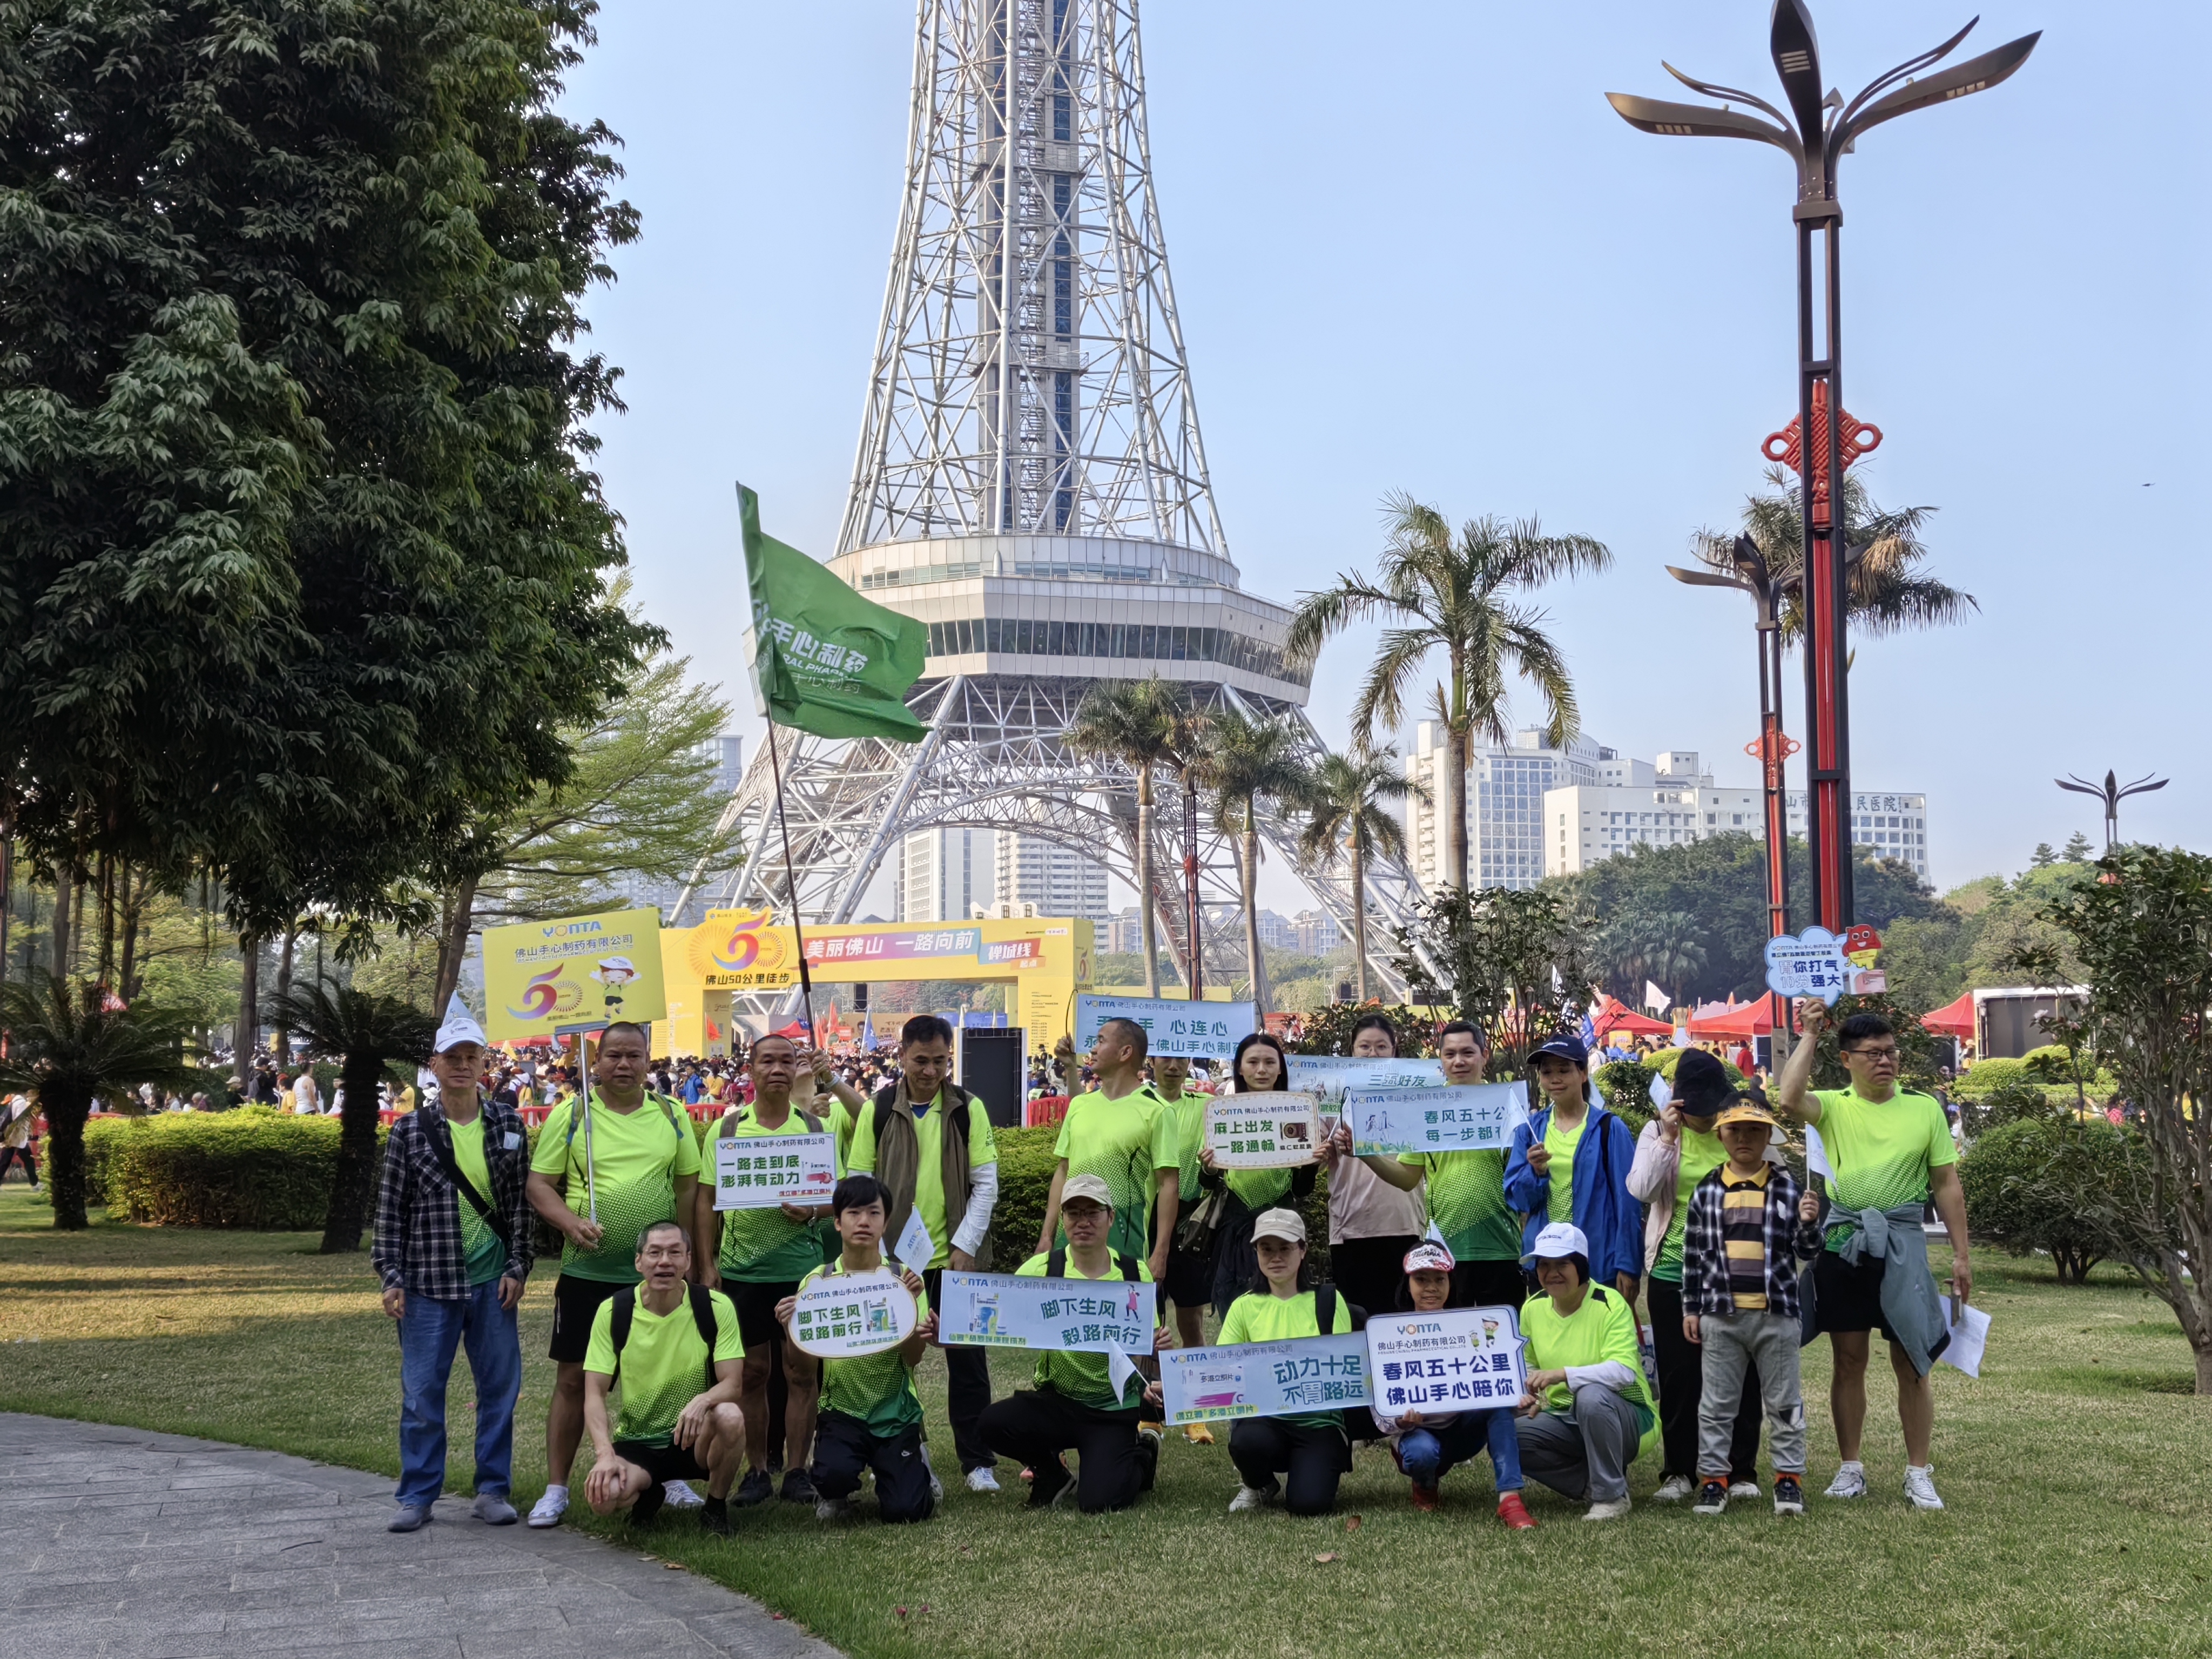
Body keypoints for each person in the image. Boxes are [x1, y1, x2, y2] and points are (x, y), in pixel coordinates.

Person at [1777, 1001, 1971, 1511]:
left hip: (1904, 1243)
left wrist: (1961, 1255)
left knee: (1913, 1360)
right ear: (1847, 1060)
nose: (1885, 1061)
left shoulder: (1924, 1109)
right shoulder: (1834, 1106)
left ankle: (1918, 1472)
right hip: (1845, 1242)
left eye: (1891, 1052)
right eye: (1872, 1054)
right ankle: (1851, 1467)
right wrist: (1810, 1034)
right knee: (1848, 1359)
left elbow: (1946, 1183)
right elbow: (1789, 1098)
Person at [524, 1021, 703, 1528]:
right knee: (573, 1379)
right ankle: (556, 1488)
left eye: (634, 1056)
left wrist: (685, 1254)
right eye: (613, 1056)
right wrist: (569, 1222)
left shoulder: (671, 1114)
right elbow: (539, 1185)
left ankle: (671, 1476)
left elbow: (687, 1188)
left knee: (668, 1378)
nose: (624, 1065)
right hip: (588, 1271)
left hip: (657, 1276)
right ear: (596, 1062)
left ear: (649, 1061)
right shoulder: (573, 1113)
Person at [370, 1011, 534, 1532]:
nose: (462, 1066)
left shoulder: (508, 1124)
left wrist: (518, 1266)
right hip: (428, 1284)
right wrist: (390, 1276)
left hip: (493, 1284)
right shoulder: (410, 1131)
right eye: (452, 1058)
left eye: (472, 1057)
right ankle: (418, 1496)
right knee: (422, 1394)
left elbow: (520, 1207)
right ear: (434, 1065)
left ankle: (492, 1489)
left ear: (484, 1065)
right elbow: (390, 1211)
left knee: (498, 1391)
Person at [845, 1014, 1002, 1493]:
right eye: (921, 1061)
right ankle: (904, 1453)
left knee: (968, 1364)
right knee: (891, 1360)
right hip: (894, 1262)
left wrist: (965, 1245)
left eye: (940, 1061)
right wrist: (874, 1252)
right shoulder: (878, 1109)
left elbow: (986, 1184)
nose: (931, 1071)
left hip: (955, 1261)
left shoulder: (968, 1108)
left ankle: (977, 1462)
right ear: (902, 1056)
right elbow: (859, 1184)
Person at [1626, 1047, 1775, 1505]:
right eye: (1695, 1109)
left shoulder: (1743, 1125)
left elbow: (1774, 1184)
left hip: (1739, 1269)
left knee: (1742, 1372)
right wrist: (1669, 1137)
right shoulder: (1658, 1131)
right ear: (1677, 1100)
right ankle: (1679, 1471)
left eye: (1711, 1108)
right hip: (1673, 1269)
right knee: (1680, 1375)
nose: (1705, 1118)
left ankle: (1741, 1469)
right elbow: (1641, 1189)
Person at [695, 1032, 834, 1507]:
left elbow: (836, 1198)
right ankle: (756, 1471)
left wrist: (812, 1210)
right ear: (751, 1069)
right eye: (767, 1061)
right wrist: (707, 1263)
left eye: (786, 1062)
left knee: (802, 1373)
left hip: (801, 1272)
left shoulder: (814, 1129)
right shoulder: (728, 1130)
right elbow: (707, 1199)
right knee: (752, 1374)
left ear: (798, 1069)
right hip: (743, 1273)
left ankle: (797, 1471)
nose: (777, 1069)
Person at [978, 1174, 1172, 1513]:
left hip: (1111, 1409)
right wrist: (951, 1334)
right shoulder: (1042, 1270)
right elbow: (997, 1320)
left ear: (1111, 1218)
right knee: (992, 1424)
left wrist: (1156, 1352)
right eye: (1073, 1213)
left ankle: (1143, 1452)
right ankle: (1052, 1474)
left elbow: (1145, 1347)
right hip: (1058, 1401)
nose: (1083, 1222)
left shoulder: (1134, 1273)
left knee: (1100, 1502)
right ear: (1064, 1218)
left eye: (1093, 1213)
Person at [1680, 1096, 1823, 1517]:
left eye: (1755, 1130)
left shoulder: (1788, 1189)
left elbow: (1806, 1251)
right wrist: (1691, 1308)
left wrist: (1810, 1224)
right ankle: (1714, 1481)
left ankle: (1788, 1479)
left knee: (1785, 1403)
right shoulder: (1707, 1189)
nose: (1744, 1138)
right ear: (1721, 1135)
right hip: (1720, 1316)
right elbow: (1693, 1256)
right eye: (1735, 1130)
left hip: (1776, 1315)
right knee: (1716, 1406)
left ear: (1768, 1137)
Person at [1326, 1022, 1520, 1307]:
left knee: (1501, 1329)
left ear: (1485, 1055)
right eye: (1450, 1054)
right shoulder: (1427, 1108)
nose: (1459, 1061)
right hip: (1446, 1250)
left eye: (1468, 1052)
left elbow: (1522, 1183)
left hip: (1502, 1247)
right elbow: (1408, 1178)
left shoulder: (1508, 1105)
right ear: (1440, 1060)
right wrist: (1364, 1153)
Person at [785, 1174, 938, 1523]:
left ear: (886, 1222)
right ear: (838, 1222)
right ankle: (835, 1491)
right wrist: (790, 1329)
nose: (864, 1222)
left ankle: (917, 1465)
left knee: (906, 1511)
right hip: (841, 1410)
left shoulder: (904, 1279)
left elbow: (913, 1358)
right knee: (831, 1476)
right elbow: (803, 1371)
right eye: (854, 1213)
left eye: (874, 1213)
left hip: (895, 1411)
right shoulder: (817, 1283)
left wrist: (908, 1306)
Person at [579, 1220, 744, 1534]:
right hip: (637, 1442)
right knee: (604, 1499)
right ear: (639, 1261)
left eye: (675, 1253)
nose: (665, 1262)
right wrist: (604, 1455)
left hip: (692, 1438)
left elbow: (733, 1384)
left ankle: (715, 1508)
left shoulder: (716, 1307)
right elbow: (594, 1394)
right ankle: (650, 1491)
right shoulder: (613, 1312)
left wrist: (702, 1401)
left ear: (688, 1260)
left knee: (730, 1415)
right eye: (654, 1253)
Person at [1376, 1240, 1533, 1527]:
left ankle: (1510, 1500)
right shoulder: (1388, 1335)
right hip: (1419, 1435)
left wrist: (1517, 1398)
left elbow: (1496, 1379)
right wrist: (1400, 1421)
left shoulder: (1472, 1328)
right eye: (1421, 1280)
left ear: (1451, 1283)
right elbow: (1380, 1414)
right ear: (1407, 1284)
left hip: (1463, 1429)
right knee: (1422, 1454)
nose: (1431, 1288)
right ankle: (1425, 1483)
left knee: (1499, 1406)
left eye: (1440, 1279)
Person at [1514, 1222, 1657, 1522]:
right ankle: (1596, 1487)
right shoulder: (1532, 1307)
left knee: (1590, 1396)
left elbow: (1623, 1372)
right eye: (1544, 1265)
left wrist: (1563, 1374)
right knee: (1509, 1436)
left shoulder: (1610, 1303)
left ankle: (1611, 1497)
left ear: (1581, 1266)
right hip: (1564, 1415)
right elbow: (1528, 1364)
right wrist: (1532, 1396)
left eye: (1562, 1264)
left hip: (1629, 1417)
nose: (1552, 1273)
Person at [1219, 1208, 1355, 1515]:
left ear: (1303, 1250)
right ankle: (1260, 1483)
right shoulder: (1243, 1307)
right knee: (1246, 1441)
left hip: (1319, 1423)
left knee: (1309, 1505)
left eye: (1285, 1248)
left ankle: (1310, 1470)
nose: (1276, 1257)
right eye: (1266, 1249)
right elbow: (1223, 1368)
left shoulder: (1329, 1300)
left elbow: (1344, 1366)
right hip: (1265, 1419)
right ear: (1256, 1253)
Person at [1505, 1034, 1640, 1303]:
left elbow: (1628, 1202)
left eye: (1564, 1070)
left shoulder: (1609, 1129)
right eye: (1547, 1072)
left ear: (1583, 1073)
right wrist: (1535, 1172)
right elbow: (1519, 1201)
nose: (1555, 1079)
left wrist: (1627, 1264)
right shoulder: (1530, 1132)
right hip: (1545, 1263)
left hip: (1595, 1262)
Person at [1041, 1021, 1177, 1279]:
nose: (1093, 1049)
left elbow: (1169, 1183)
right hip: (1068, 1242)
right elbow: (1063, 1171)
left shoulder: (1158, 1111)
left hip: (1126, 1244)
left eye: (1101, 1041)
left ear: (1126, 1053)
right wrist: (1047, 1237)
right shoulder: (1080, 1105)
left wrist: (1161, 1252)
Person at [1321, 1015, 1427, 1328]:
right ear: (1352, 1050)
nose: (1373, 1054)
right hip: (1351, 1227)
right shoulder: (1333, 1097)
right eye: (1364, 1046)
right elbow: (1315, 1154)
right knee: (1359, 1323)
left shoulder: (1412, 1096)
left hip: (1403, 1223)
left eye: (1381, 1046)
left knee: (1404, 1322)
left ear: (1394, 1050)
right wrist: (1324, 1149)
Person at [1205, 1033, 1319, 1317]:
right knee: (1238, 1314)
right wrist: (1208, 1167)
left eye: (1269, 1062)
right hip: (1236, 1225)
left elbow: (1301, 1189)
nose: (1261, 1070)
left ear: (1280, 1069)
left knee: (1285, 1311)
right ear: (1239, 1068)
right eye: (1253, 1062)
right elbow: (1206, 1181)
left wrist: (1313, 1163)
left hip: (1284, 1222)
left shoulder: (1297, 1112)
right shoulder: (1223, 1114)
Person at [1149, 1050, 1219, 1444]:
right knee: (1148, 1324)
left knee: (1190, 1321)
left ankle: (1197, 1411)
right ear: (1151, 1061)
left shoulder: (1207, 1106)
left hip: (1192, 1226)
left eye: (1181, 1058)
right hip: (1145, 1221)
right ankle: (1152, 1411)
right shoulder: (1139, 1104)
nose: (1173, 1066)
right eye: (1165, 1058)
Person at [0, 1094, 39, 1189]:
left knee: (4, 1162)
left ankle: (35, 1183)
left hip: (12, 1138)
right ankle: (35, 1183)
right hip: (17, 1139)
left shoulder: (15, 1104)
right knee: (29, 1161)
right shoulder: (21, 1103)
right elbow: (20, 1122)